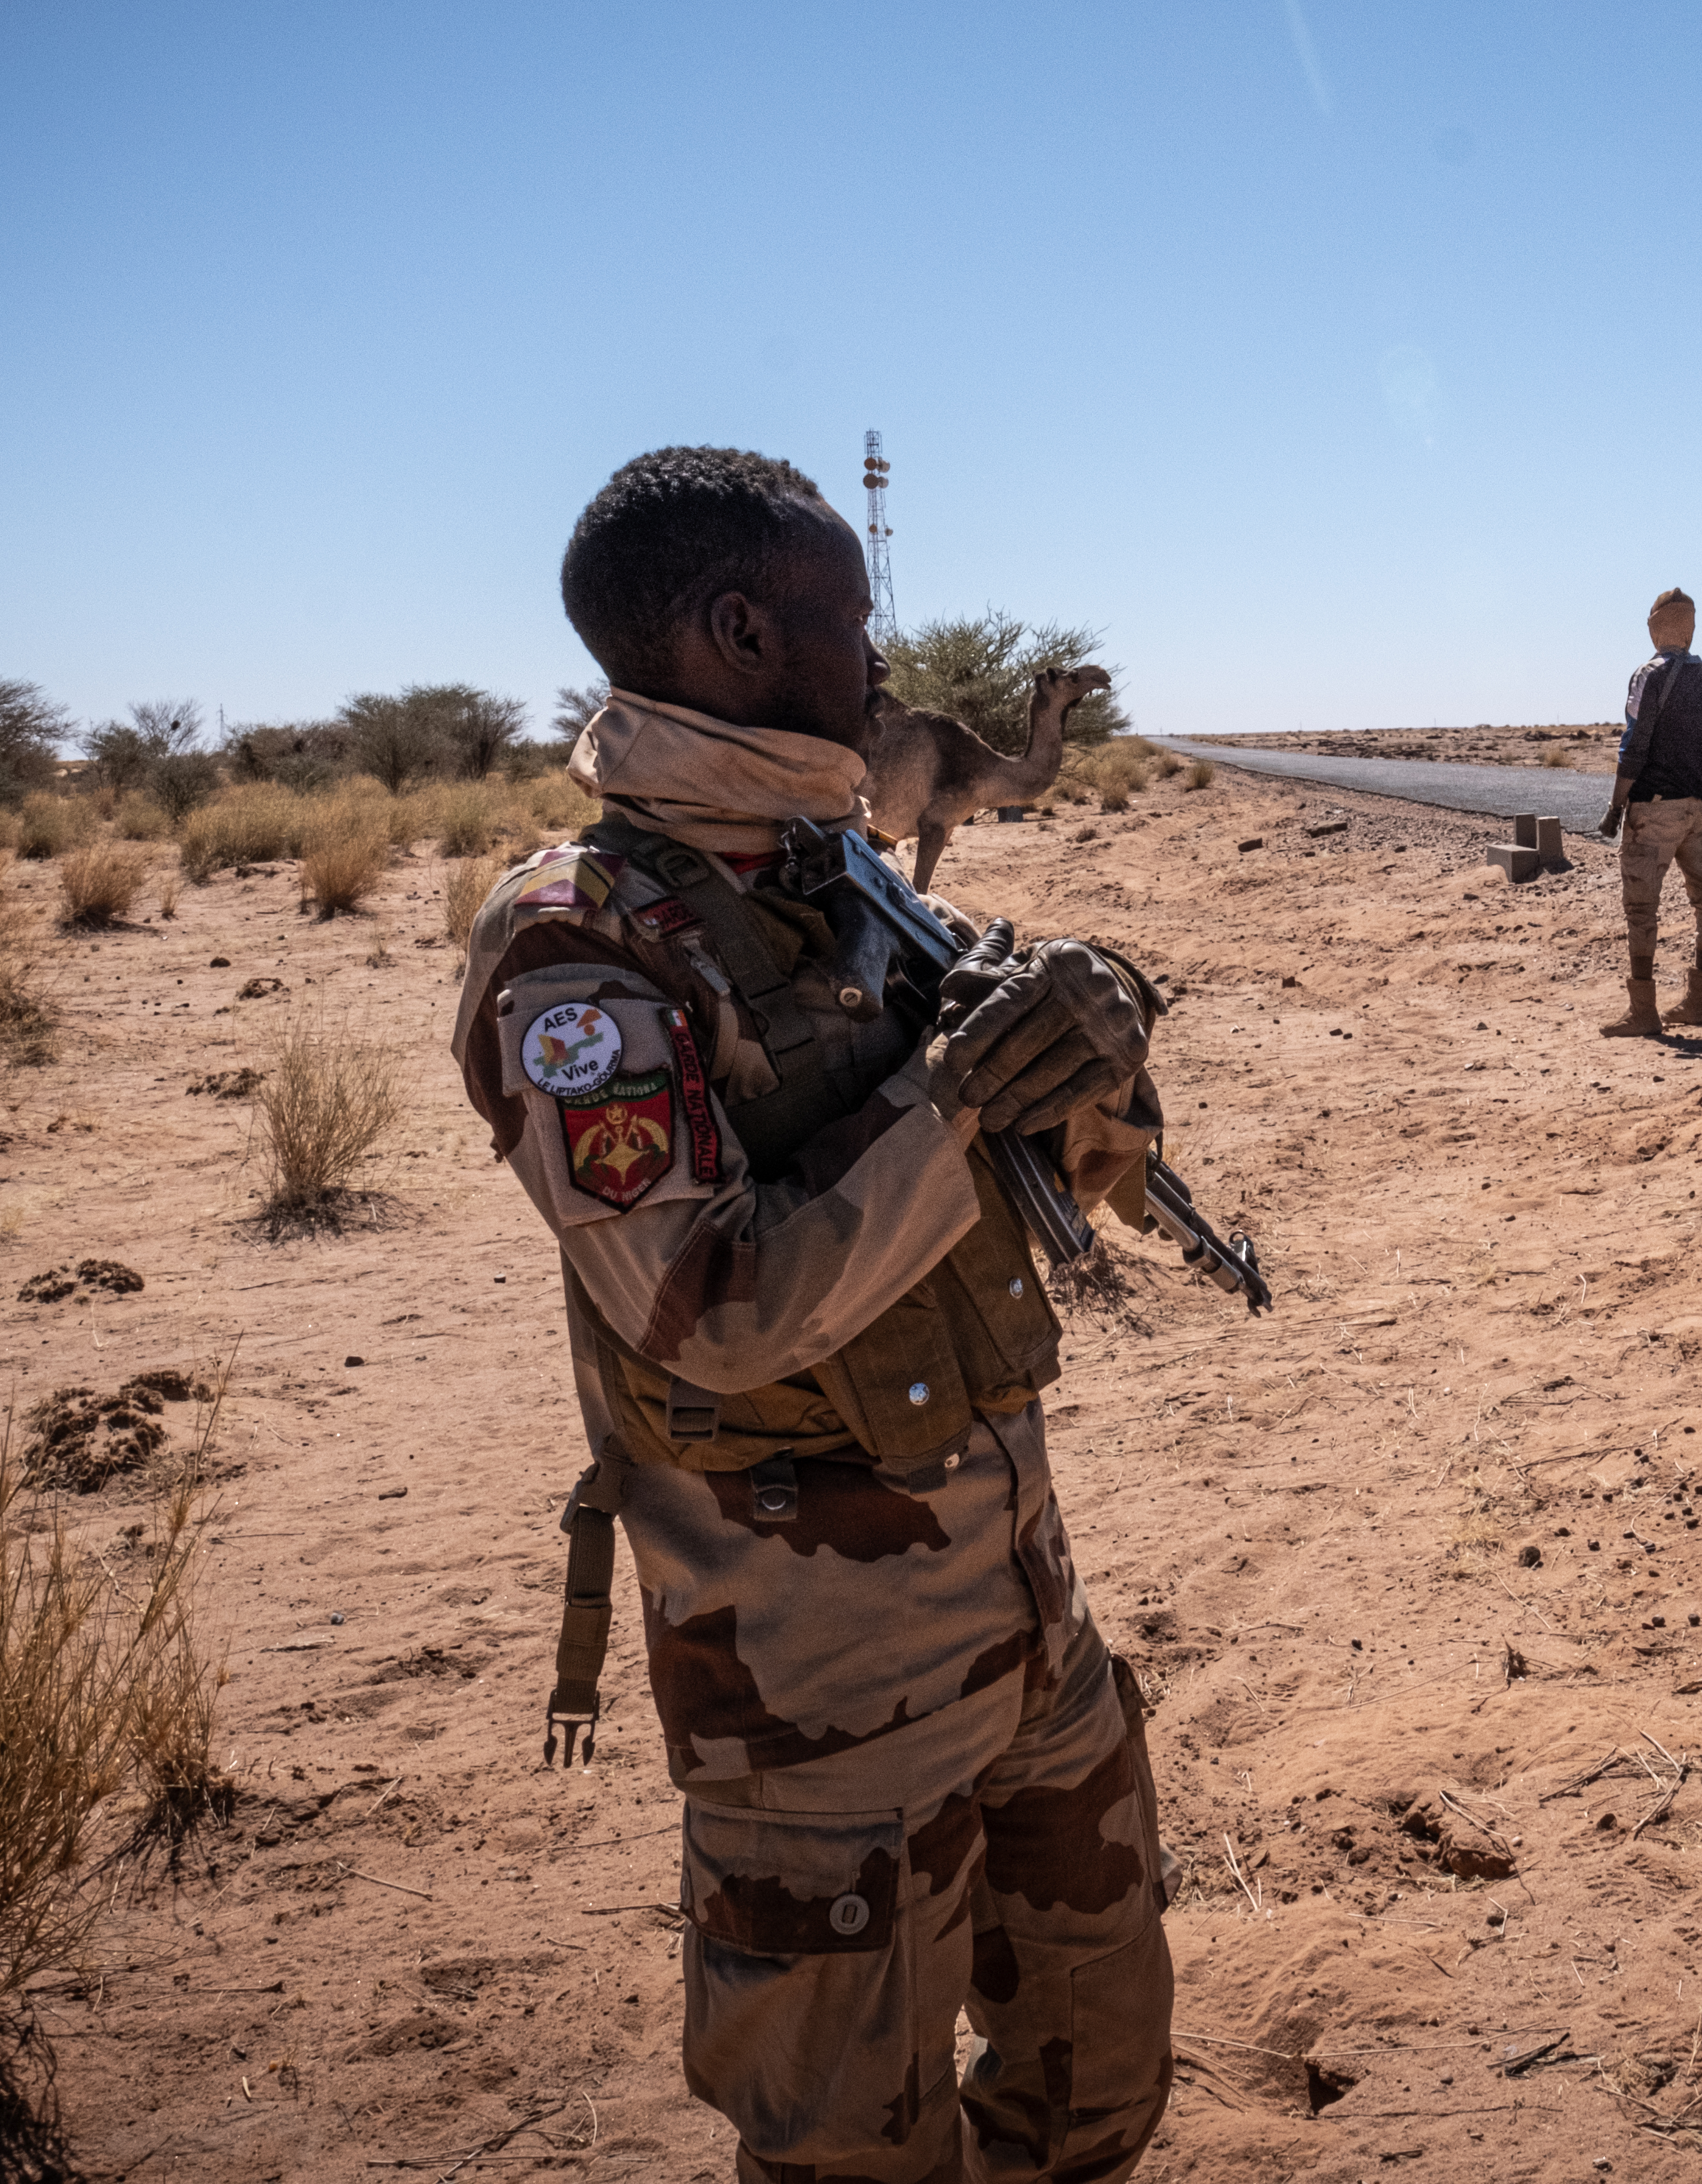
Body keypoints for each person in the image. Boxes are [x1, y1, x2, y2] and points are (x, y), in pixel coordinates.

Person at [454, 446, 1173, 2184]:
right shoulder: (575, 949)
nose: (884, 663)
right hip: (820, 1706)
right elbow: (708, 1308)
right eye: (857, 619)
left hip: (1027, 1629)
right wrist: (962, 1100)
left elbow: (1056, 1179)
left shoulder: (844, 874)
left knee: (1097, 2087)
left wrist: (1095, 1074)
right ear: (737, 632)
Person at [1598, 587, 1702, 1035]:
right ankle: (1699, 1001)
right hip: (1700, 809)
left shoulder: (1649, 676)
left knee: (1641, 909)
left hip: (1655, 810)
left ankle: (1643, 1011)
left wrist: (1617, 805)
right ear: (1690, 629)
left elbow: (1633, 748)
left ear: (1656, 629)